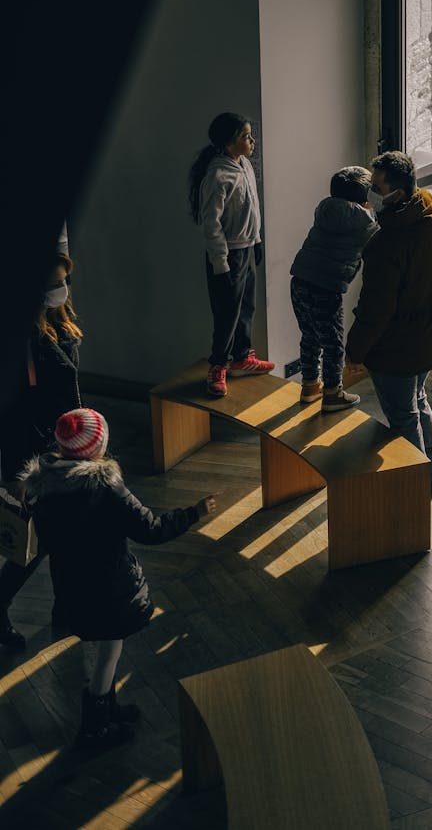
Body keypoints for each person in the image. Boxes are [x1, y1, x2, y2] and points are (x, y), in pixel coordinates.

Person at [20, 407, 218, 749]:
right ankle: (95, 726)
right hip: (109, 589)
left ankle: (107, 708)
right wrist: (194, 513)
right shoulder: (105, 488)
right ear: (97, 447)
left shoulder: (45, 487)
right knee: (110, 650)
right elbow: (151, 530)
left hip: (71, 586)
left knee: (97, 648)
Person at [345, 151, 432, 497]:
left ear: (395, 191)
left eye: (376, 186)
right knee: (418, 401)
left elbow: (376, 307)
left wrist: (355, 352)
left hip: (397, 347)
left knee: (403, 419)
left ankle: (421, 486)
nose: (371, 193)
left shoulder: (387, 243)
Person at [0, 252, 83, 649]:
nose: (61, 291)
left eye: (62, 281)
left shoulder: (58, 322)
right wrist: (17, 477)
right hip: (36, 456)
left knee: (58, 535)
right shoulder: (20, 340)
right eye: (53, 284)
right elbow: (14, 413)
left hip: (63, 447)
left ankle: (64, 607)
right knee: (39, 540)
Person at [188, 112, 275, 398]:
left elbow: (253, 206)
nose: (251, 141)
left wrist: (258, 241)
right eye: (245, 137)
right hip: (229, 255)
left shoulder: (244, 163)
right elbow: (211, 225)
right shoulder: (217, 174)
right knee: (227, 313)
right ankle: (217, 366)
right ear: (228, 143)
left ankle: (242, 356)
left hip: (247, 248)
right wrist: (221, 264)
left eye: (250, 135)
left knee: (246, 305)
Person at [290, 166, 378, 412]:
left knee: (310, 335)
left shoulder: (324, 209)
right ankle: (332, 393)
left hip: (299, 279)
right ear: (366, 198)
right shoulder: (365, 222)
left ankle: (309, 386)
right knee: (333, 343)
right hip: (326, 287)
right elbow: (381, 242)